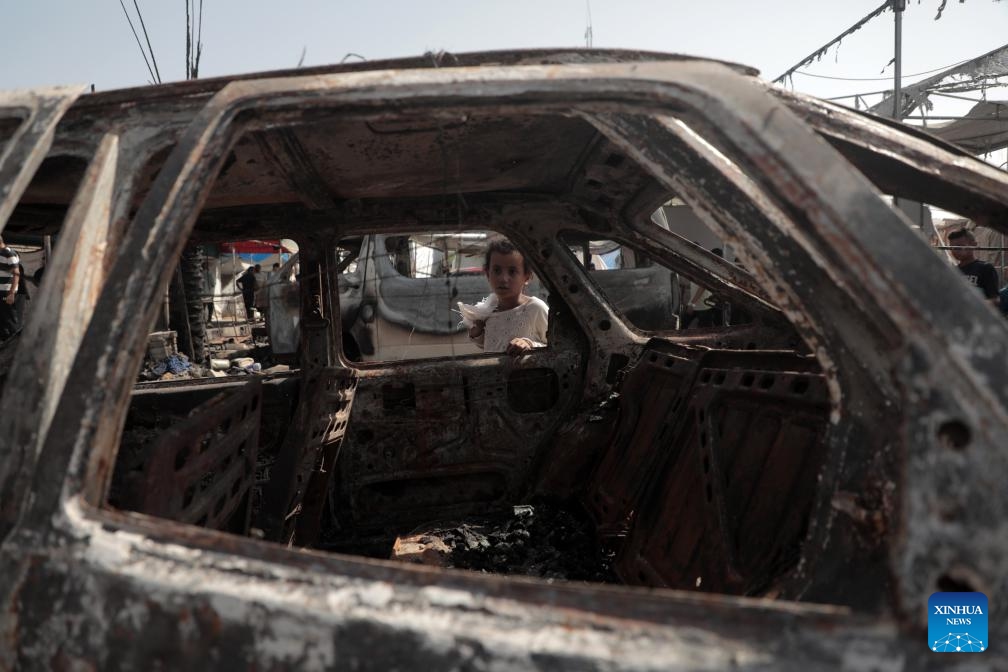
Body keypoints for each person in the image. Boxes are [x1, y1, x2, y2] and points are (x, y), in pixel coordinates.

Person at [464, 239, 548, 356]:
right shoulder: (487, 310)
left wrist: (528, 344)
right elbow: (490, 345)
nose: (503, 278)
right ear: (488, 274)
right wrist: (477, 334)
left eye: (512, 271)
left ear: (527, 277)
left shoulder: (535, 308)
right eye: (497, 270)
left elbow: (554, 346)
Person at [947, 229, 999, 305]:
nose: (955, 251)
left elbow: (995, 300)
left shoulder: (985, 268)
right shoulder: (952, 271)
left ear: (973, 245)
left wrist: (973, 303)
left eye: (959, 247)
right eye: (952, 248)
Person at [0, 237, 21, 340]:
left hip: (6, 291)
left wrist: (11, 293)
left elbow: (16, 274)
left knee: (9, 318)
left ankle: (16, 344)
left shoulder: (9, 253)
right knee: (2, 320)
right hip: (0, 291)